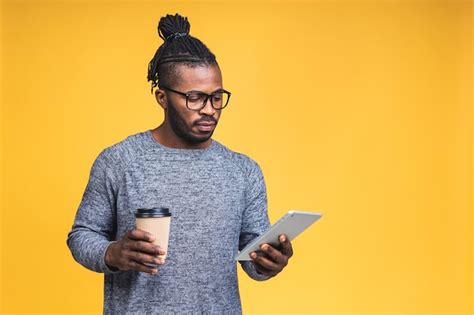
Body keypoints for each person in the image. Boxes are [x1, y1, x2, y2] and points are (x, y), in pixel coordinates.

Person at [67, 13, 293, 314]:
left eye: (216, 97)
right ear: (162, 97)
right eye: (195, 98)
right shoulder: (119, 160)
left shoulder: (243, 171)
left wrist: (269, 262)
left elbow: (253, 261)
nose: (210, 110)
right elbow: (82, 235)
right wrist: (112, 253)